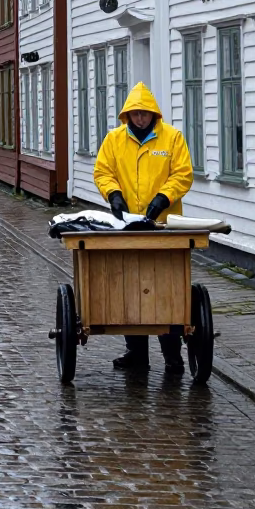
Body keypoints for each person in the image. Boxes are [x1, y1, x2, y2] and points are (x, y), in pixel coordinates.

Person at [92, 81, 193, 376]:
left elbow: (183, 173)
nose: (140, 119)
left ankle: (173, 356)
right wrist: (113, 195)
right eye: (135, 114)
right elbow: (102, 170)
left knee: (167, 288)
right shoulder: (114, 140)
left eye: (144, 114)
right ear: (127, 115)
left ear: (154, 114)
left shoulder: (172, 138)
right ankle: (136, 353)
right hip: (127, 228)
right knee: (130, 286)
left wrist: (164, 197)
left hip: (163, 227)